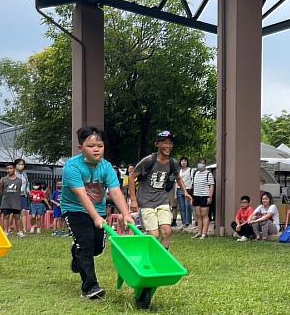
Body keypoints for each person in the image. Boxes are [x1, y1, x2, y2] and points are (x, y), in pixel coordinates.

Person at [62, 126, 134, 300]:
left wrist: (126, 214)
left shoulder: (106, 167)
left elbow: (115, 191)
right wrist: (94, 217)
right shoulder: (72, 167)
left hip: (99, 210)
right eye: (91, 146)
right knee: (85, 245)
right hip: (75, 210)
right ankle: (90, 287)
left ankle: (76, 253)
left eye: (100, 146)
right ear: (81, 148)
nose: (96, 149)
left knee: (97, 248)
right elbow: (81, 195)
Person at [129, 131, 192, 249]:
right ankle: (148, 255)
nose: (168, 146)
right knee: (154, 235)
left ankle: (163, 260)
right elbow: (132, 177)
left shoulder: (172, 163)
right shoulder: (148, 160)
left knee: (167, 231)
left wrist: (185, 192)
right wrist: (133, 199)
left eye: (170, 143)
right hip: (146, 201)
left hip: (162, 200)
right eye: (164, 142)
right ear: (157, 144)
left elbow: (178, 178)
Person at [190, 158, 215, 239]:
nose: (201, 164)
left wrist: (210, 196)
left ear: (205, 164)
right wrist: (192, 196)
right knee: (198, 215)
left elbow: (211, 186)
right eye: (200, 163)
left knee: (204, 215)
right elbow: (193, 185)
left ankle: (204, 233)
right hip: (196, 196)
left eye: (203, 163)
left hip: (205, 196)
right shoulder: (196, 173)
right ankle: (199, 232)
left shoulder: (208, 174)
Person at [0, 163, 23, 237]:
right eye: (7, 169)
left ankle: (19, 231)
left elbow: (19, 190)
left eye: (11, 168)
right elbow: (0, 190)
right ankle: (6, 231)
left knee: (17, 217)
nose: (9, 170)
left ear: (14, 169)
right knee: (6, 216)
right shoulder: (3, 179)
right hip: (6, 201)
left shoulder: (19, 180)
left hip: (16, 201)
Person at [176, 157, 193, 230]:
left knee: (187, 206)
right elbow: (176, 182)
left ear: (187, 162)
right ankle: (183, 223)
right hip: (179, 190)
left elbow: (192, 180)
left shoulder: (190, 170)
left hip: (188, 189)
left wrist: (191, 189)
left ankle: (188, 222)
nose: (183, 162)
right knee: (182, 207)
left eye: (185, 161)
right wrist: (174, 193)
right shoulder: (179, 171)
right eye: (182, 161)